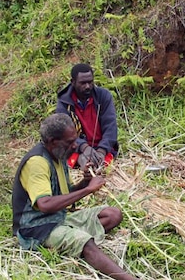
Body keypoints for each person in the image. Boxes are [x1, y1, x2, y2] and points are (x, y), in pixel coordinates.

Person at [12, 113, 137, 280]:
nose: (75, 145)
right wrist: (87, 191)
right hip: (36, 228)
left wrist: (85, 182)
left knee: (112, 215)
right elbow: (45, 204)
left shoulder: (58, 154)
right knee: (85, 243)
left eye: (75, 140)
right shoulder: (37, 163)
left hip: (58, 218)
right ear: (53, 141)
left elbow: (65, 194)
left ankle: (68, 240)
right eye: (70, 142)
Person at [55, 63, 118, 170]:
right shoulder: (64, 102)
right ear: (73, 82)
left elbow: (111, 127)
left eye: (90, 82)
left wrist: (101, 151)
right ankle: (82, 161)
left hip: (101, 147)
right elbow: (64, 132)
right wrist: (83, 147)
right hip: (76, 149)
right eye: (83, 83)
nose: (87, 86)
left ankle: (95, 162)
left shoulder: (103, 96)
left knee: (102, 164)